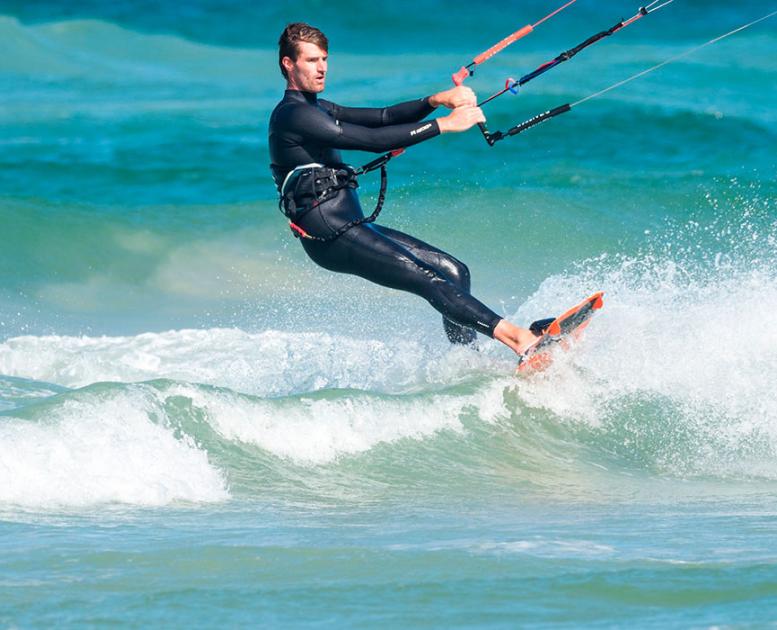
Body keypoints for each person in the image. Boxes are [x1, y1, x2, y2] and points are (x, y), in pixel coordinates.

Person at [269, 22, 546, 354]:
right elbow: (369, 141)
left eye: (325, 59)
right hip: (330, 234)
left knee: (453, 272)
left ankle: (467, 362)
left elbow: (383, 117)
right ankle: (520, 340)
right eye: (312, 60)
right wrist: (444, 124)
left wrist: (434, 100)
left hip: (350, 224)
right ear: (289, 64)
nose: (322, 68)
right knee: (429, 280)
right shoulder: (292, 115)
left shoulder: (319, 107)